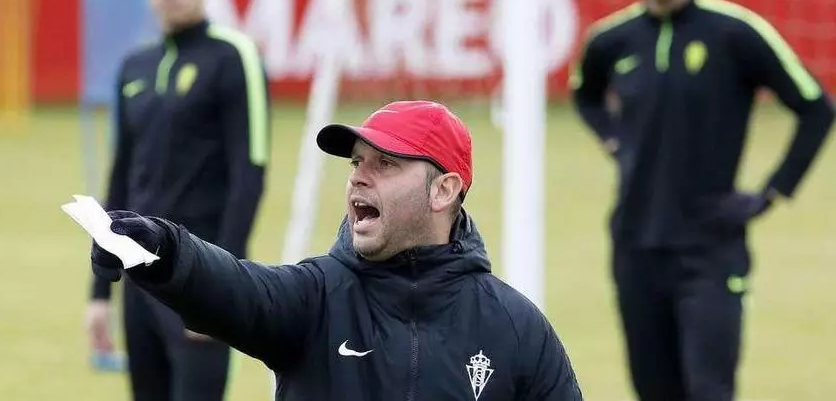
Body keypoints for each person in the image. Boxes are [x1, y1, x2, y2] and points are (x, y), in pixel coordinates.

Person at [88, 100, 584, 400]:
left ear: (443, 190)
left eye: (385, 164)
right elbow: (233, 287)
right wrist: (159, 248)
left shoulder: (516, 327)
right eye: (356, 163)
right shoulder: (314, 298)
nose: (358, 178)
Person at [570, 0, 835, 400]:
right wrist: (614, 139)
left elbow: (816, 108)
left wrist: (772, 192)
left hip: (710, 250)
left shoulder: (735, 33)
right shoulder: (611, 40)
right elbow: (584, 94)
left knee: (710, 390)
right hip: (635, 246)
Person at [84, 0, 271, 401]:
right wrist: (101, 292)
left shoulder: (235, 57)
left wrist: (219, 290)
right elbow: (121, 179)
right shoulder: (134, 66)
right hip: (138, 284)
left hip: (198, 276)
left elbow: (248, 176)